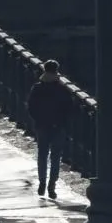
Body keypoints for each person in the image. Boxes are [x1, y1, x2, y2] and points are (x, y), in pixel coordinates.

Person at [26, 59, 71, 198]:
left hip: (42, 126)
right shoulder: (62, 88)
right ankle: (52, 185)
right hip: (58, 126)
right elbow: (68, 108)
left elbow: (31, 107)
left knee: (42, 155)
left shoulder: (38, 88)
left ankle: (42, 183)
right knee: (56, 156)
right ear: (57, 71)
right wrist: (62, 122)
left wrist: (38, 120)